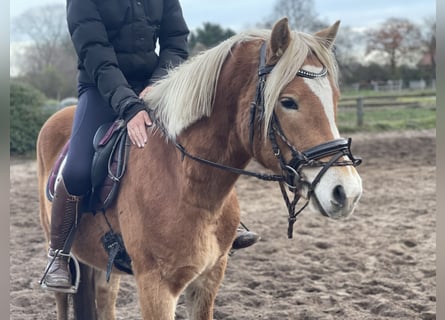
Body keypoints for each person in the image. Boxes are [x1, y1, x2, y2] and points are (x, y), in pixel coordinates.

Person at [42, 0, 259, 291]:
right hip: (100, 86)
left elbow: (176, 40)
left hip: (156, 83)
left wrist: (158, 85)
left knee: (207, 140)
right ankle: (58, 254)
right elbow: (97, 55)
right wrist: (130, 107)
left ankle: (222, 226)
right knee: (78, 169)